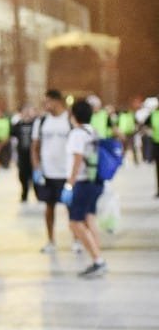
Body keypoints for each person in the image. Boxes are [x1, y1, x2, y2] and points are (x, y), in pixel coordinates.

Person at [63, 99, 106, 277]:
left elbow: (77, 159)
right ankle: (98, 256)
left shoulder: (76, 134)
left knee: (75, 223)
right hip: (94, 181)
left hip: (82, 182)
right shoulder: (92, 131)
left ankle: (98, 261)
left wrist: (69, 185)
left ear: (74, 116)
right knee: (89, 219)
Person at [31, 89, 71, 253]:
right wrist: (36, 168)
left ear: (57, 101)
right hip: (47, 172)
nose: (45, 104)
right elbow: (35, 147)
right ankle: (51, 241)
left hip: (66, 172)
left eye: (47, 101)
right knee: (49, 208)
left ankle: (77, 239)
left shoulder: (69, 119)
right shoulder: (41, 122)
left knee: (71, 207)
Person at [11, 104, 36, 203]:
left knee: (33, 176)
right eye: (24, 112)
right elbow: (12, 134)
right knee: (22, 176)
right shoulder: (18, 125)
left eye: (28, 112)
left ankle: (37, 194)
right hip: (22, 155)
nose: (26, 114)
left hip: (32, 155)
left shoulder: (35, 124)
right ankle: (24, 194)